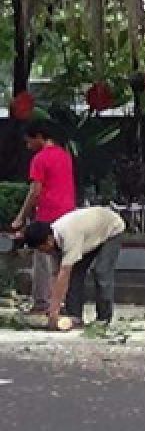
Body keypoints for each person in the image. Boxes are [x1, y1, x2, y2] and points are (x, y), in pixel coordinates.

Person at [9, 120, 76, 313]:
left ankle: (41, 302)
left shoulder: (39, 159)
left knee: (42, 258)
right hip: (67, 213)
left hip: (47, 213)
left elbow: (35, 190)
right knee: (62, 260)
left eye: (29, 141)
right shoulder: (65, 156)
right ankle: (61, 302)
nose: (27, 145)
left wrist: (21, 216)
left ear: (39, 137)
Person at [20, 206, 125, 330]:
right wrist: (53, 304)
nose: (43, 252)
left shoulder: (69, 235)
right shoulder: (54, 240)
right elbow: (57, 275)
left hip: (111, 228)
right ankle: (74, 316)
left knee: (101, 272)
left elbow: (64, 274)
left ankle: (104, 318)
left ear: (48, 241)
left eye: (41, 249)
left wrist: (54, 310)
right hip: (89, 234)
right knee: (75, 274)